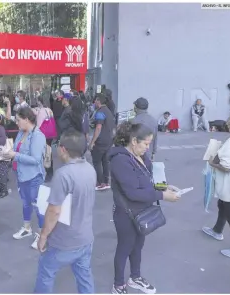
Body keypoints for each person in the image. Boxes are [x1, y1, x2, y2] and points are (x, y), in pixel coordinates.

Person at [109, 122, 180, 294]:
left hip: (143, 210)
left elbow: (149, 179)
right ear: (134, 141)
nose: (147, 148)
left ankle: (135, 277)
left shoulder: (140, 156)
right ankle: (118, 285)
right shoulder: (120, 160)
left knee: (138, 245)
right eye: (145, 144)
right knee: (125, 247)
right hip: (126, 213)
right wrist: (162, 195)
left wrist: (164, 187)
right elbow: (133, 193)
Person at [34, 130, 96, 294]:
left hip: (64, 240)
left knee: (46, 273)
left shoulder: (63, 175)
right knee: (84, 276)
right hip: (85, 236)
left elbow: (54, 210)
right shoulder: (90, 169)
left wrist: (43, 236)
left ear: (63, 149)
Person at [3, 107, 46, 249]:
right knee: (25, 203)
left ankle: (42, 234)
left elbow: (35, 159)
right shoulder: (22, 132)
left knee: (38, 206)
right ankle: (27, 228)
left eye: (18, 120)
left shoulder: (38, 135)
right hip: (21, 174)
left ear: (27, 119)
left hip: (34, 176)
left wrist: (15, 155)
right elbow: (16, 150)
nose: (16, 123)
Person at [202, 112, 230, 260]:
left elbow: (228, 166)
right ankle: (217, 230)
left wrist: (212, 163)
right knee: (224, 204)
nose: (226, 125)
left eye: (229, 122)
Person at [89, 93, 116, 191]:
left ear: (98, 101)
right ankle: (106, 181)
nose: (94, 102)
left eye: (95, 100)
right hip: (109, 141)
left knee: (96, 162)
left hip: (100, 142)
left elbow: (98, 127)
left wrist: (92, 142)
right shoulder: (108, 111)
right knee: (105, 161)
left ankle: (100, 183)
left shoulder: (100, 112)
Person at [35, 96, 55, 182]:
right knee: (49, 153)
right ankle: (50, 171)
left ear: (40, 102)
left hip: (44, 136)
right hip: (50, 135)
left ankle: (48, 172)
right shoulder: (49, 110)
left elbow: (38, 126)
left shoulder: (41, 111)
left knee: (46, 154)